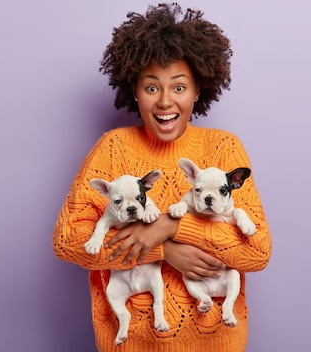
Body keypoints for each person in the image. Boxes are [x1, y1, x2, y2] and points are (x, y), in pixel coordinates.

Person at [53, 3, 272, 351]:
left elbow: (257, 253)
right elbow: (68, 240)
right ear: (134, 91)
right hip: (132, 342)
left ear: (198, 90)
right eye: (151, 87)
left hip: (215, 340)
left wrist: (171, 226)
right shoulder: (112, 148)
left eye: (179, 87)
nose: (165, 101)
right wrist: (162, 249)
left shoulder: (224, 149)